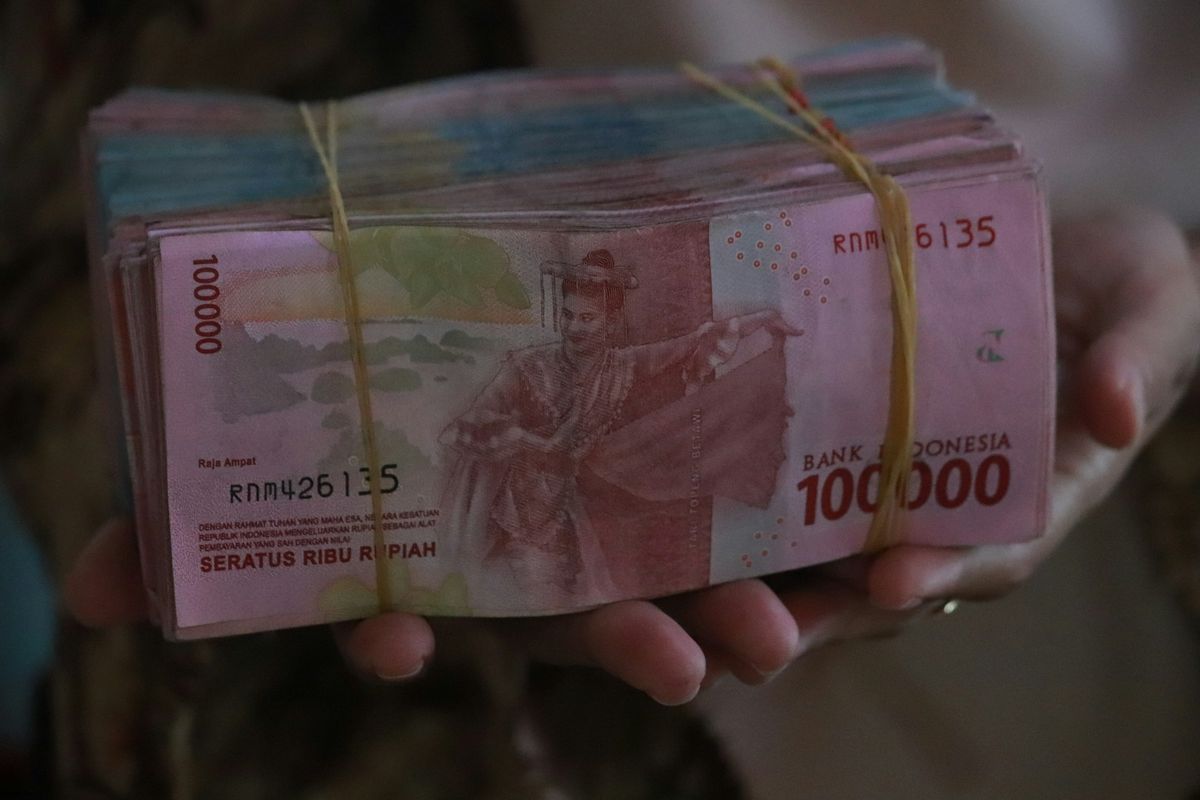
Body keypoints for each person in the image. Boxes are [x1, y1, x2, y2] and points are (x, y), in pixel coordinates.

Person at [439, 247, 797, 608]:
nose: (574, 327)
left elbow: (693, 343)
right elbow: (465, 426)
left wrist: (762, 318)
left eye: (587, 318)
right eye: (568, 315)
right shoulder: (527, 367)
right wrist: (524, 440)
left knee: (586, 600)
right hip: (522, 514)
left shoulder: (622, 367)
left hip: (573, 514)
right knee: (538, 598)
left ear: (611, 322)